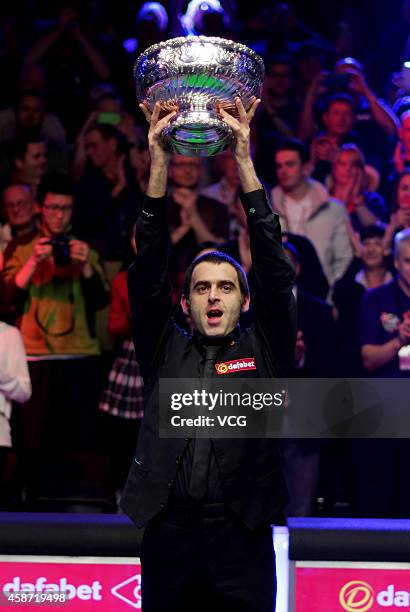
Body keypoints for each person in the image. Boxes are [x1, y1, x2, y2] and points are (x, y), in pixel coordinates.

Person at [121, 97, 297, 612]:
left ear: (244, 301)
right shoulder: (163, 345)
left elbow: (275, 268)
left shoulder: (264, 348)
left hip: (240, 534)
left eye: (226, 287)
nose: (214, 296)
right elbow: (148, 266)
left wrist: (242, 162)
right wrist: (159, 162)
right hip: (170, 534)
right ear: (186, 300)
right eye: (201, 288)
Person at [1, 174, 109, 455]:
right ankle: (29, 493)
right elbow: (5, 299)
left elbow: (101, 301)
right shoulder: (22, 248)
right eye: (52, 208)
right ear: (40, 208)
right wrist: (35, 261)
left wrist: (85, 266)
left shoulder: (85, 248)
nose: (59, 216)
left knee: (79, 439)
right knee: (34, 439)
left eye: (65, 209)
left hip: (80, 353)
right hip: (35, 354)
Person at [271, 138, 353, 287]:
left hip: (321, 297)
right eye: (279, 166)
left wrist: (330, 292)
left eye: (290, 164)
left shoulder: (334, 210)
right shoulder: (268, 211)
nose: (283, 171)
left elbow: (343, 258)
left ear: (306, 167)